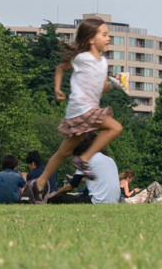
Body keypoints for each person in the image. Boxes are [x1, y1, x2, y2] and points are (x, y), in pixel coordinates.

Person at [29, 18, 124, 200]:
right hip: (82, 110)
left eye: (108, 35)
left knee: (63, 152)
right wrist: (57, 89)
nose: (108, 38)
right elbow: (60, 68)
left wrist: (115, 84)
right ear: (91, 40)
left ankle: (40, 183)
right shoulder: (82, 58)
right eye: (104, 35)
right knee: (115, 127)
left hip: (86, 112)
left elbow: (101, 86)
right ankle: (84, 159)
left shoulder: (102, 63)